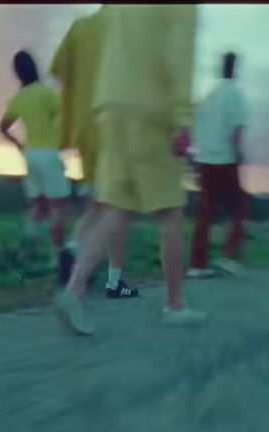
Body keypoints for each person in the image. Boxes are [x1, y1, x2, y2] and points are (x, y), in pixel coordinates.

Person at [55, 5, 204, 335]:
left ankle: (74, 289)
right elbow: (180, 56)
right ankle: (174, 305)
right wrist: (183, 119)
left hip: (110, 105)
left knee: (116, 206)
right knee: (170, 212)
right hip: (150, 109)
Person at [49, 7, 139, 299]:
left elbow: (60, 73)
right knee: (118, 209)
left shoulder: (80, 27)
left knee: (94, 206)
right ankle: (109, 280)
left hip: (84, 127)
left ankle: (73, 251)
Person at [0, 51, 71, 275]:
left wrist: (19, 145)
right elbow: (67, 116)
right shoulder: (48, 94)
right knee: (58, 208)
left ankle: (24, 252)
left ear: (17, 73)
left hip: (30, 155)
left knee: (37, 207)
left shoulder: (18, 98)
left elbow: (3, 127)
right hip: (49, 154)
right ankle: (56, 258)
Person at [187, 51, 250, 280]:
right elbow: (237, 128)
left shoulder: (209, 96)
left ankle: (197, 264)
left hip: (203, 158)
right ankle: (229, 256)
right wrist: (238, 153)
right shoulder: (236, 94)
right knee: (239, 208)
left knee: (204, 211)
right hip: (224, 158)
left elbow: (194, 124)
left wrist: (195, 154)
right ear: (236, 68)